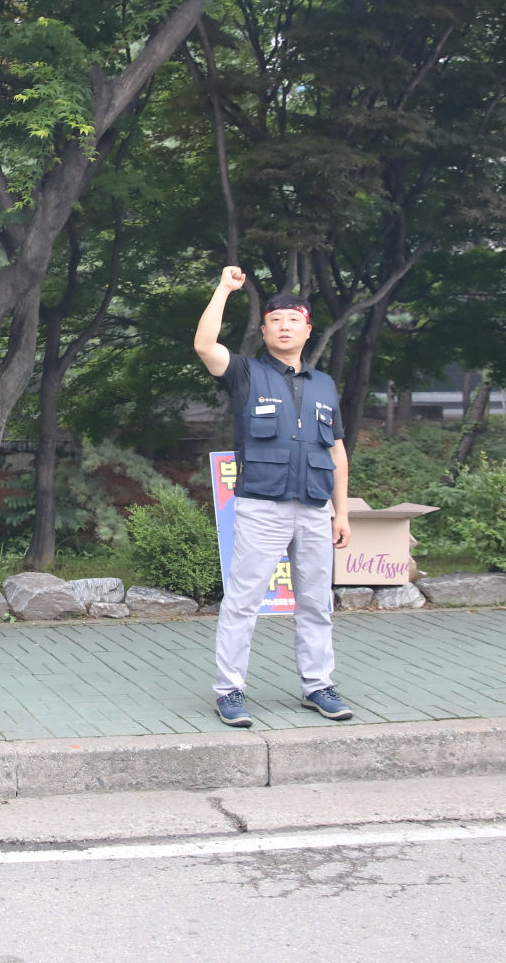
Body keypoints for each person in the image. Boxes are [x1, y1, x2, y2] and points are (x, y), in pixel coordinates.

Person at [194, 267, 354, 728]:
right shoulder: (246, 373)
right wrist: (224, 289)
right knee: (243, 602)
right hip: (262, 507)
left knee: (316, 603)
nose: (284, 326)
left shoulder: (324, 385)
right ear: (263, 331)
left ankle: (318, 686)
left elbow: (337, 451)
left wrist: (342, 512)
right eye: (275, 320)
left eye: (293, 320)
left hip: (315, 508)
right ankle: (229, 691)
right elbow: (205, 345)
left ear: (307, 330)